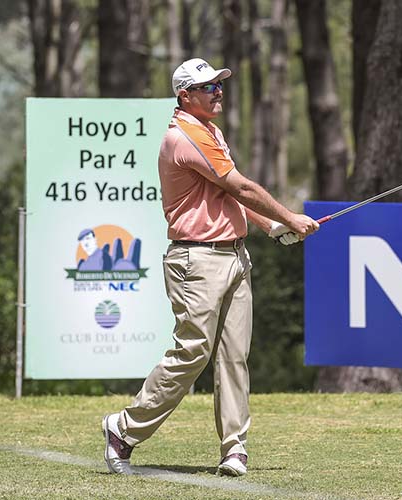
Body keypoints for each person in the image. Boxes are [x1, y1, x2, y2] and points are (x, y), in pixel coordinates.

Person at [101, 58, 318, 477]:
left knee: (234, 356)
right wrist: (290, 217)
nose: (218, 92)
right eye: (208, 88)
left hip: (234, 254)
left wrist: (269, 226)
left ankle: (234, 448)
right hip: (195, 260)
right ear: (185, 96)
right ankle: (123, 429)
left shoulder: (209, 131)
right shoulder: (183, 138)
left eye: (219, 85)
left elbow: (227, 195)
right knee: (192, 353)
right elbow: (241, 186)